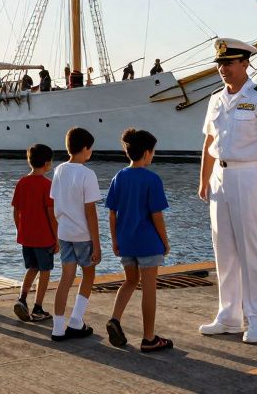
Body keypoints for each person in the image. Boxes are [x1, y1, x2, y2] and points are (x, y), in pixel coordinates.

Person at [197, 38, 257, 344]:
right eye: (220, 64)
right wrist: (203, 180)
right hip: (220, 178)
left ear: (245, 63)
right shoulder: (216, 99)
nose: (223, 69)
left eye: (229, 63)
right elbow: (210, 143)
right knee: (224, 250)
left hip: (250, 176)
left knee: (252, 251)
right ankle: (228, 316)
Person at [105, 128, 172, 352]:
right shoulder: (152, 179)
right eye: (153, 152)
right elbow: (157, 215)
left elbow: (112, 213)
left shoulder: (119, 177)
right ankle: (149, 338)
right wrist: (165, 241)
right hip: (147, 242)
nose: (153, 156)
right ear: (146, 153)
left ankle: (115, 318)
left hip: (126, 241)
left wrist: (115, 240)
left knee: (130, 281)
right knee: (149, 289)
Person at [50, 127, 101, 342]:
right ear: (85, 149)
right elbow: (91, 212)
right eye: (90, 149)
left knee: (65, 279)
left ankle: (58, 328)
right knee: (88, 275)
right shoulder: (87, 174)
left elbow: (54, 201)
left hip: (64, 232)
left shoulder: (59, 170)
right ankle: (77, 320)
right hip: (83, 234)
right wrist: (97, 245)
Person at [12, 143, 58, 323]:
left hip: (27, 236)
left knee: (32, 268)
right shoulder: (48, 185)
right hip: (44, 237)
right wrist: (57, 238)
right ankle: (38, 307)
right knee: (45, 271)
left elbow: (16, 211)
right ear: (47, 164)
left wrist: (20, 229)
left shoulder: (22, 182)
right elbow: (51, 214)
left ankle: (22, 299)